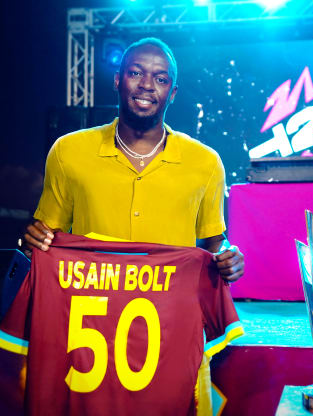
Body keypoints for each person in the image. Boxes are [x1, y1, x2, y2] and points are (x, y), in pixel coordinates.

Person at [22, 37, 244, 413]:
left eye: (159, 79)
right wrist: (34, 242)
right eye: (136, 73)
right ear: (118, 80)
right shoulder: (68, 152)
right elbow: (44, 244)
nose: (146, 86)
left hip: (168, 337)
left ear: (172, 92)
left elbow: (212, 246)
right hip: (85, 337)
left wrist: (227, 259)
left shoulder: (205, 163)